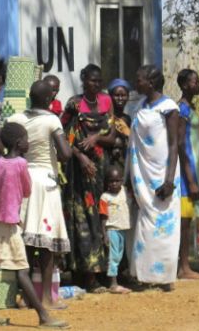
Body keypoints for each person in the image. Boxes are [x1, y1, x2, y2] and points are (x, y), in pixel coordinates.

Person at [0, 123, 69, 328]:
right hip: (10, 224)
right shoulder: (21, 164)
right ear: (19, 143)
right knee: (22, 270)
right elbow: (26, 190)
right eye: (26, 139)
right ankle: (43, 317)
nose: (29, 142)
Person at [7, 80, 73, 309]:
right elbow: (65, 154)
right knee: (46, 245)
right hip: (46, 183)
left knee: (25, 240)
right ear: (48, 100)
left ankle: (25, 298)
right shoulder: (51, 120)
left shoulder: (15, 119)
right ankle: (46, 299)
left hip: (22, 180)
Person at [60, 64, 116, 293]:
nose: (96, 84)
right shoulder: (74, 105)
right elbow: (64, 139)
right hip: (79, 173)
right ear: (84, 80)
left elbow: (111, 136)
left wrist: (95, 139)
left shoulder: (106, 102)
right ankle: (83, 275)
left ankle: (100, 272)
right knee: (81, 220)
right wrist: (81, 157)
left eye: (99, 81)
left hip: (101, 170)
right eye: (92, 80)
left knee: (100, 219)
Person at [127, 64, 181, 292]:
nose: (135, 83)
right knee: (146, 222)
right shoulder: (140, 105)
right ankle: (144, 274)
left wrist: (169, 180)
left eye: (139, 79)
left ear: (151, 82)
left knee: (164, 224)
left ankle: (164, 277)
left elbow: (173, 144)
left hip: (162, 174)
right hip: (144, 176)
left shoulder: (169, 108)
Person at [176, 69, 199, 279]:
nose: (198, 84)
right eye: (195, 81)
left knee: (190, 219)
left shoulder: (192, 108)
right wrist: (191, 179)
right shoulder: (182, 110)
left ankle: (188, 263)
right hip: (188, 172)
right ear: (185, 85)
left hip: (197, 170)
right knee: (184, 221)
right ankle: (183, 266)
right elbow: (180, 145)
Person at [99, 166, 132, 294]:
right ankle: (113, 284)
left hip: (123, 229)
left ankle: (117, 280)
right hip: (112, 230)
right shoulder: (105, 197)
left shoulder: (125, 191)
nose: (114, 184)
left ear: (122, 181)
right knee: (113, 257)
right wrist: (104, 234)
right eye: (111, 181)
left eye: (117, 181)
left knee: (119, 256)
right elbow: (103, 216)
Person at [107, 78, 132, 169]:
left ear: (128, 97)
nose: (120, 98)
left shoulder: (127, 119)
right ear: (110, 96)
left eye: (123, 95)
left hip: (124, 162)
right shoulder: (107, 117)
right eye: (117, 95)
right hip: (108, 162)